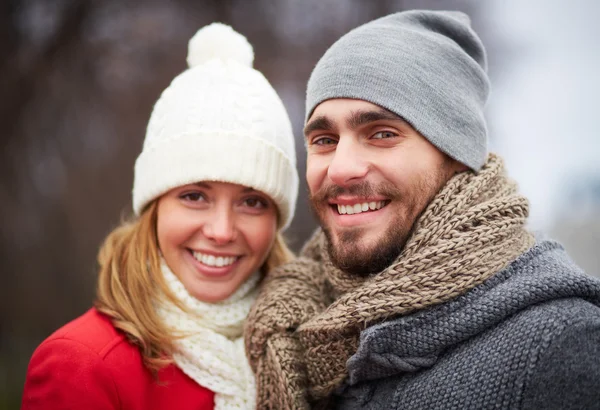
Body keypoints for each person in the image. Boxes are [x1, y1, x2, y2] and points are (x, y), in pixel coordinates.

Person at [245, 10, 600, 410]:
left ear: (458, 155)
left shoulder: (563, 344)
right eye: (325, 139)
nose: (341, 168)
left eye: (381, 134)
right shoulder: (291, 322)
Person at [21, 22, 298, 410]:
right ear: (153, 208)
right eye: (194, 196)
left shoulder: (308, 351)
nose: (221, 231)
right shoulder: (82, 364)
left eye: (252, 202)